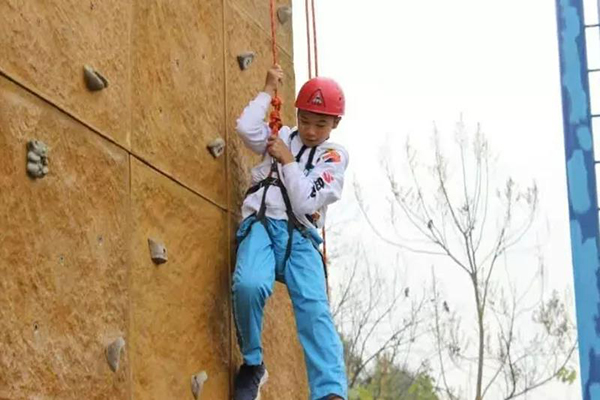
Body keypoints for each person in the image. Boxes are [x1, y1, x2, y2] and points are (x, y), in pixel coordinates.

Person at [232, 64, 348, 400]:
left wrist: (286, 161)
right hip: (264, 226)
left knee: (314, 311)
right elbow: (245, 128)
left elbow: (303, 200)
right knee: (248, 285)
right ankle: (253, 364)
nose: (311, 130)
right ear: (297, 113)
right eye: (306, 120)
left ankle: (329, 392)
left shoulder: (334, 157)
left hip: (301, 239)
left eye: (321, 124)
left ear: (335, 124)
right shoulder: (282, 135)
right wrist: (268, 90)